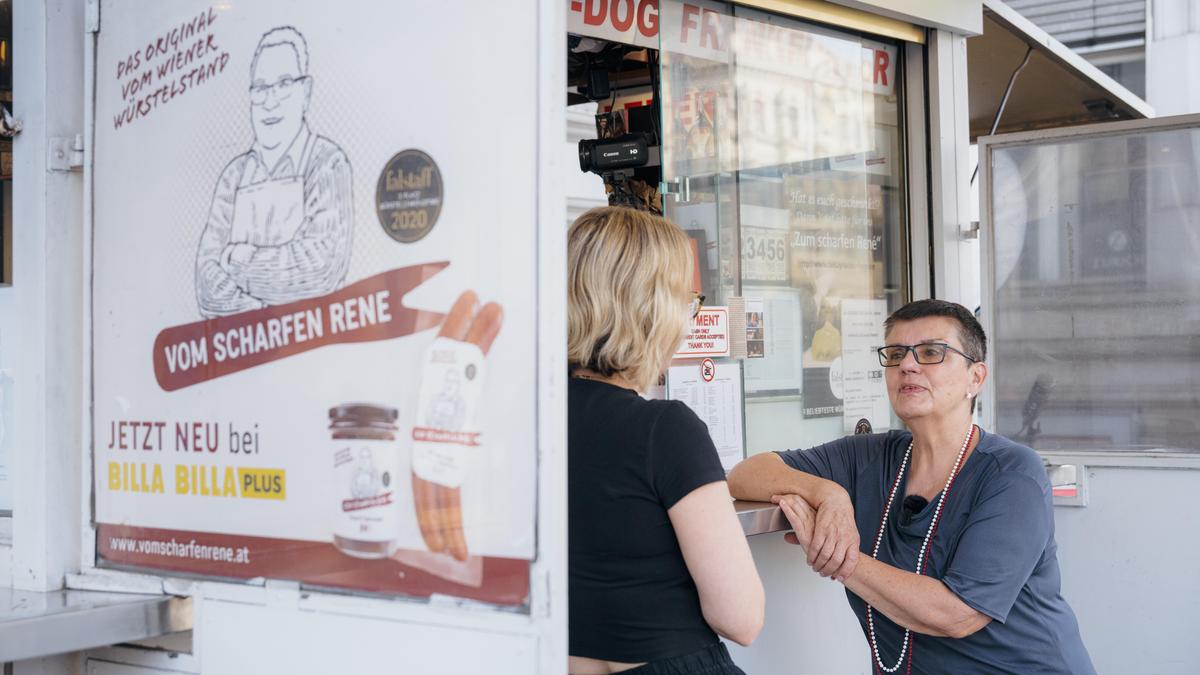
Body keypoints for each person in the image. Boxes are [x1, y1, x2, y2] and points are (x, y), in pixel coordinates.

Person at [729, 299, 1096, 674]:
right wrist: (829, 495)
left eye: (931, 352)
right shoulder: (866, 457)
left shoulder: (1013, 473)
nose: (907, 364)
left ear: (976, 377)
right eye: (896, 353)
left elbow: (956, 614)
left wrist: (841, 560)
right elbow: (745, 474)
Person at [568, 207, 763, 675]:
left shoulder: (524, 419)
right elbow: (741, 618)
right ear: (652, 309)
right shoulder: (665, 429)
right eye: (686, 299)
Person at [195, 26, 353, 317]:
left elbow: (319, 269)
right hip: (243, 358)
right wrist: (266, 320)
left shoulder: (327, 163)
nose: (270, 101)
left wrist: (239, 261)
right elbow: (207, 283)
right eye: (260, 88)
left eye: (283, 84)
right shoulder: (234, 176)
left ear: (305, 92)